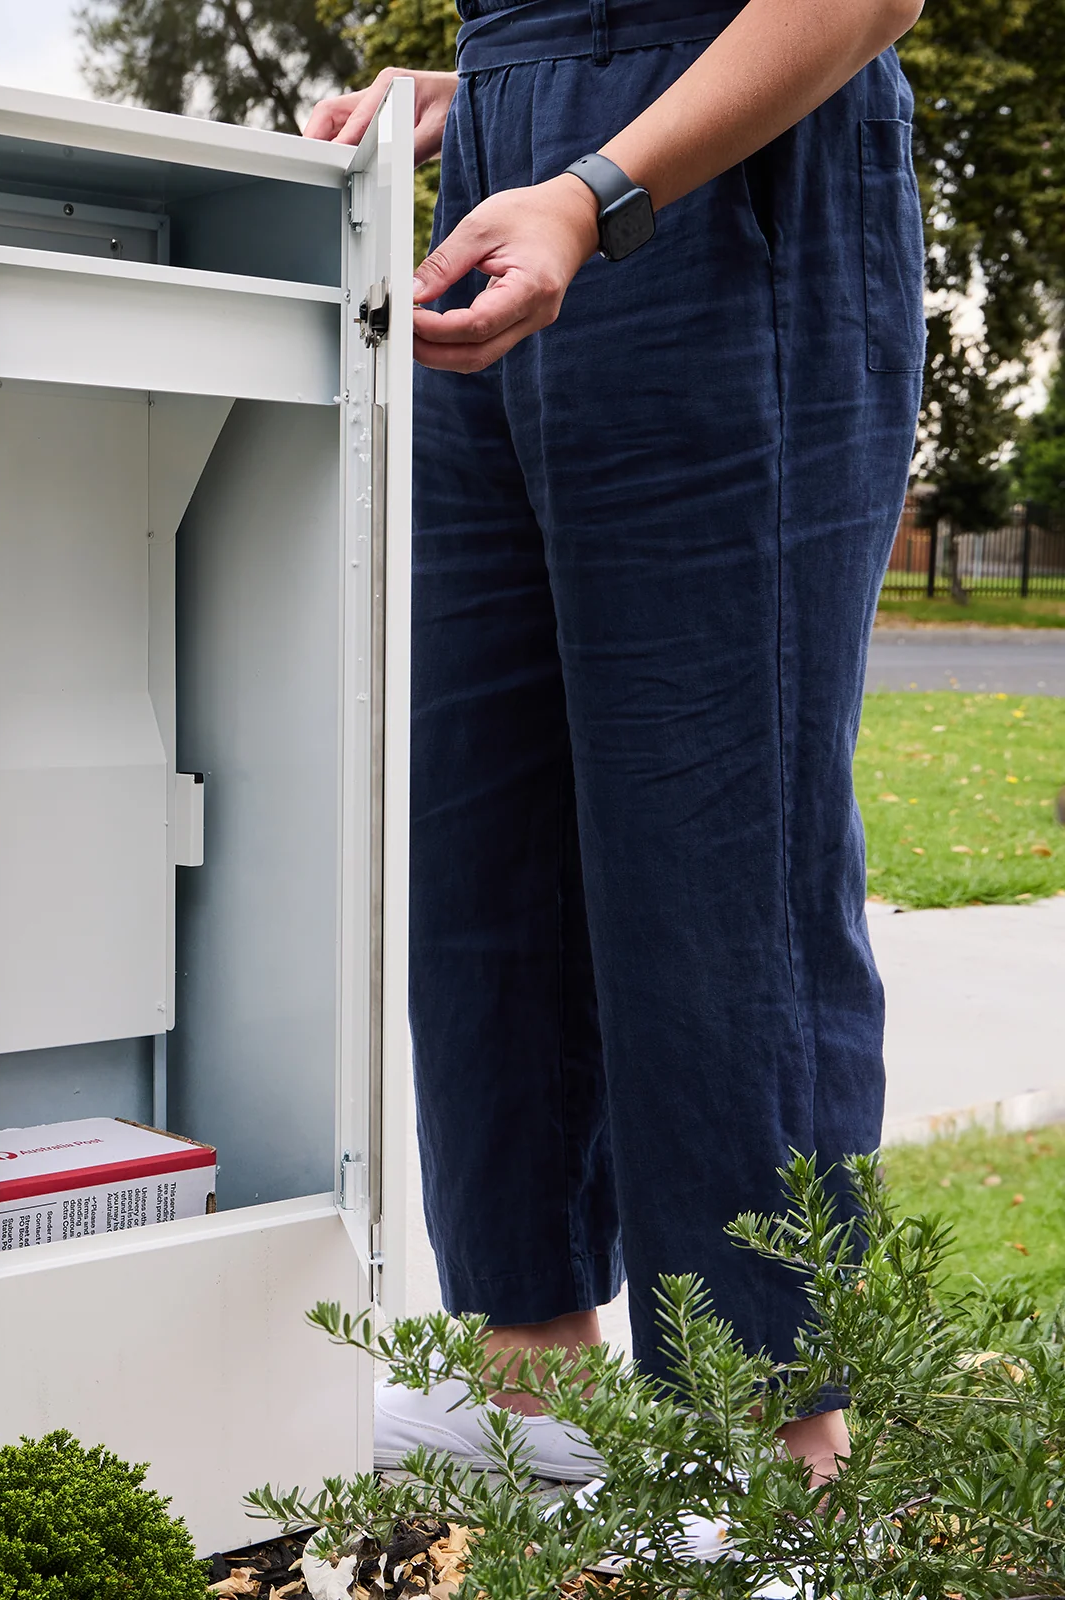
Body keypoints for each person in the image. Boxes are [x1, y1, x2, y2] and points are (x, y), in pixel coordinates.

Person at [306, 0, 925, 1487]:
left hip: (720, 205)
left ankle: (783, 1451)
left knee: (718, 852)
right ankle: (535, 1387)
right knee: (482, 837)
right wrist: (503, 87)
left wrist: (601, 176)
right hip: (521, 175)